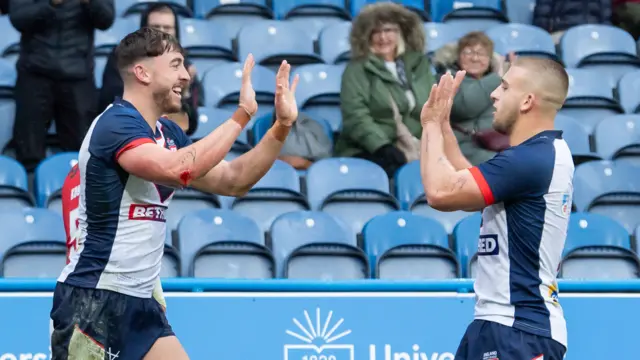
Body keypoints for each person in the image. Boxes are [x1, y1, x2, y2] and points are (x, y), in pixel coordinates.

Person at [50, 27, 300, 359]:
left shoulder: (167, 132)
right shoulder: (115, 124)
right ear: (142, 72)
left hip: (142, 300)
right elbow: (178, 170)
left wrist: (281, 125)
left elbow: (234, 180)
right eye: (176, 64)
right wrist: (241, 116)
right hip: (94, 299)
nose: (185, 75)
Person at [419, 58, 572, 360]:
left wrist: (430, 125)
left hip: (518, 329)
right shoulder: (538, 154)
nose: (493, 94)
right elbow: (466, 182)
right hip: (502, 324)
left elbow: (440, 192)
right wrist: (444, 127)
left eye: (504, 86)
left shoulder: (531, 160)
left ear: (527, 100)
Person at [9, 0, 115, 171]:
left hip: (78, 76)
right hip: (34, 74)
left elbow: (106, 19)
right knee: (28, 151)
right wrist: (50, 4)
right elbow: (18, 18)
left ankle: (76, 195)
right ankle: (33, 191)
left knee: (82, 151)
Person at [336, 2, 434, 177]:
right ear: (366, 36)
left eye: (389, 30)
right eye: (375, 32)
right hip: (371, 149)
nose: (383, 37)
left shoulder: (420, 64)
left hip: (416, 145)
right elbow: (355, 116)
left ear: (401, 32)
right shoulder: (357, 69)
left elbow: (433, 106)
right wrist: (382, 146)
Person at [98, 2, 204, 134]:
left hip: (170, 143)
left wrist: (185, 94)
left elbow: (190, 126)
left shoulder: (184, 67)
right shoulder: (123, 57)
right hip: (130, 134)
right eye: (155, 27)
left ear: (176, 32)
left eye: (167, 28)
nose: (161, 33)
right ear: (144, 29)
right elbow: (112, 103)